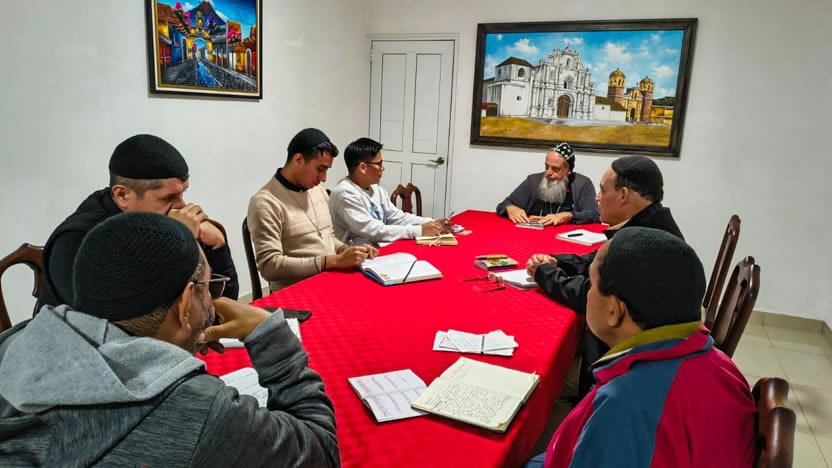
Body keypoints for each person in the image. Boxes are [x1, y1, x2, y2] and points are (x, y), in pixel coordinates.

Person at [0, 212, 339, 466]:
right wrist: (270, 335)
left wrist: (177, 342)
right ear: (185, 303)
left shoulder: (14, 343)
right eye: (208, 287)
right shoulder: (203, 412)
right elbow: (320, 452)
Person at [527, 228, 755, 468]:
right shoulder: (720, 362)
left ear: (614, 311)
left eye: (591, 285)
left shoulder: (624, 408)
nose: (588, 293)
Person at [526, 155, 683, 396]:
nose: (597, 197)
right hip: (638, 349)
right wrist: (558, 261)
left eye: (603, 190)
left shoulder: (643, 243)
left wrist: (545, 274)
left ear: (623, 196)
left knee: (538, 366)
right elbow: (598, 259)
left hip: (623, 367)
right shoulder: (651, 224)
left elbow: (590, 295)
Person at [38, 134, 239, 310]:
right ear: (123, 195)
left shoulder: (169, 222)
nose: (182, 206)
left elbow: (225, 308)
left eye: (182, 193)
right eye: (168, 198)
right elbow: (120, 324)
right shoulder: (77, 242)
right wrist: (176, 246)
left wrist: (218, 248)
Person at [247, 128, 377, 292]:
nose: (324, 178)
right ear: (298, 159)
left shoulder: (318, 191)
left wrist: (346, 250)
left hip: (329, 280)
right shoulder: (266, 202)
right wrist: (333, 261)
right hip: (296, 292)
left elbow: (328, 238)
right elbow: (269, 266)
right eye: (320, 169)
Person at [329, 137, 451, 246]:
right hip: (358, 257)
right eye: (379, 163)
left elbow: (398, 218)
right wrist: (419, 230)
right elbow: (374, 230)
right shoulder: (345, 193)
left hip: (380, 249)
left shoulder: (376, 189)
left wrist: (432, 223)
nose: (383, 168)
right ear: (363, 167)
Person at [496, 142, 599, 226]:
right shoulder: (533, 181)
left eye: (555, 169)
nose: (548, 173)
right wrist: (510, 208)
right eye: (546, 166)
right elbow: (503, 205)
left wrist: (568, 215)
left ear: (568, 170)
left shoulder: (582, 184)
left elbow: (594, 214)